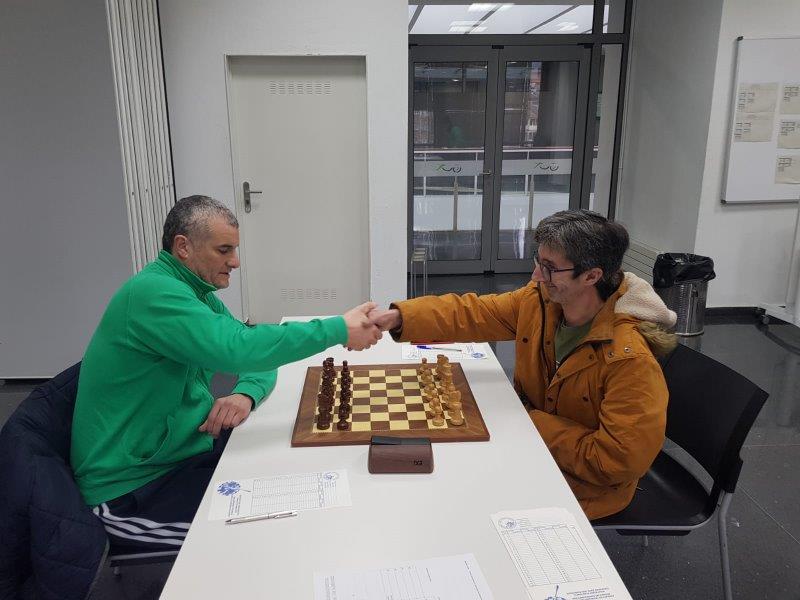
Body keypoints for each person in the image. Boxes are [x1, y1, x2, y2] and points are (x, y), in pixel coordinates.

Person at [71, 195, 381, 550]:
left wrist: (244, 393)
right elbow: (239, 348)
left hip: (184, 455)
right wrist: (337, 329)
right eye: (223, 250)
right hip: (131, 491)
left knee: (299, 483)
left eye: (234, 250)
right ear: (183, 247)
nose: (235, 262)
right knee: (271, 536)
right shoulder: (152, 294)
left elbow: (252, 354)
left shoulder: (195, 294)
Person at [369, 210, 677, 519]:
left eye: (550, 268)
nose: (537, 276)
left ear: (591, 276)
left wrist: (528, 420)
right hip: (530, 448)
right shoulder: (541, 302)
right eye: (538, 261)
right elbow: (473, 313)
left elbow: (613, 462)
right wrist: (399, 317)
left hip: (582, 488)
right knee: (439, 466)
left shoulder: (630, 361)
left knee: (451, 497)